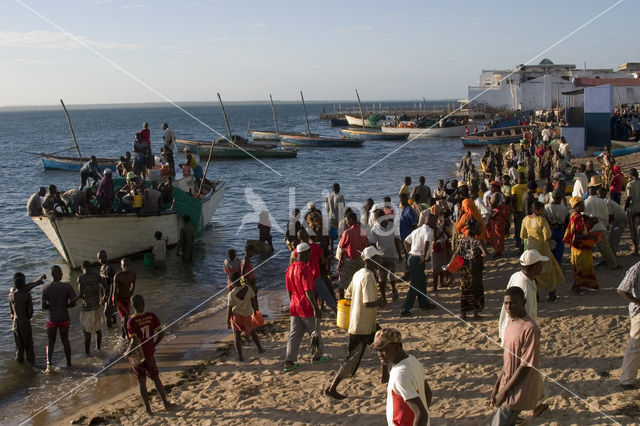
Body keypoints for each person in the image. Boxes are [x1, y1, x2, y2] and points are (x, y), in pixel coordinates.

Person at [325, 246, 383, 400]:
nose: (379, 261)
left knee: (384, 342)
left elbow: (348, 294)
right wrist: (380, 302)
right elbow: (369, 302)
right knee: (352, 358)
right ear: (371, 260)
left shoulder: (358, 274)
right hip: (361, 326)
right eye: (377, 258)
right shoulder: (369, 276)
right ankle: (332, 387)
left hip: (363, 322)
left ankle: (385, 374)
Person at [490, 287, 542, 426]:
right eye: (506, 303)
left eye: (513, 303)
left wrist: (505, 391)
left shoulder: (530, 328)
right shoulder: (509, 323)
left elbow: (526, 365)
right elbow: (507, 360)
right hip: (507, 383)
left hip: (518, 387)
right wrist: (497, 385)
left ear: (523, 302)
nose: (509, 307)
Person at [372, 328, 431, 426]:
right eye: (377, 350)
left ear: (396, 346)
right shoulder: (413, 360)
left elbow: (421, 414)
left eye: (383, 349)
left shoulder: (400, 374)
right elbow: (427, 393)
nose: (379, 354)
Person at [283, 243, 327, 372]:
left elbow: (288, 290)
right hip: (306, 305)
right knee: (314, 333)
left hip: (294, 304)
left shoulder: (290, 268)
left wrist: (292, 302)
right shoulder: (305, 269)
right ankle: (317, 357)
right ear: (307, 254)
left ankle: (289, 362)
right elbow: (308, 291)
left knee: (294, 334)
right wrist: (316, 307)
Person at [125, 294, 172, 413]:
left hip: (138, 356)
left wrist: (128, 352)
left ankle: (148, 408)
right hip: (149, 353)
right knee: (155, 378)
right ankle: (165, 403)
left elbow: (134, 341)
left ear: (131, 306)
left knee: (141, 381)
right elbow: (161, 334)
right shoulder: (152, 316)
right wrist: (153, 345)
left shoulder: (131, 321)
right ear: (144, 304)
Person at [521, 201, 564, 301]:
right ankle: (551, 294)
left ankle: (536, 296)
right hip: (542, 248)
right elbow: (547, 236)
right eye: (542, 209)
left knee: (533, 272)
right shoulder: (541, 220)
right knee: (548, 270)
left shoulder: (525, 219)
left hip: (531, 248)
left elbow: (523, 235)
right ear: (537, 210)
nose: (544, 211)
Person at [498, 250, 545, 341]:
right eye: (540, 264)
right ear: (535, 267)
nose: (542, 267)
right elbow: (522, 315)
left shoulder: (517, 276)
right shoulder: (524, 287)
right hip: (518, 334)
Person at [400, 211, 436, 316]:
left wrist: (410, 252)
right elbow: (427, 243)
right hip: (418, 258)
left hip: (412, 257)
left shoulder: (417, 230)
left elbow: (406, 241)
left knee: (422, 281)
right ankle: (405, 309)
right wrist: (424, 257)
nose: (436, 223)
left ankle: (424, 303)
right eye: (434, 221)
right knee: (415, 284)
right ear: (429, 221)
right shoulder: (429, 231)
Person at [41, 265, 76, 372]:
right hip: (64, 318)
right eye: (61, 273)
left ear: (52, 275)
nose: (62, 274)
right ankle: (69, 363)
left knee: (50, 342)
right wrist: (64, 306)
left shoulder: (45, 288)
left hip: (51, 319)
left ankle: (49, 365)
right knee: (65, 340)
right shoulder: (67, 287)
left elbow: (43, 306)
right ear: (60, 274)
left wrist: (52, 307)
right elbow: (73, 303)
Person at [452, 217, 487, 320]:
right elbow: (485, 254)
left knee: (465, 289)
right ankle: (476, 314)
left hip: (465, 269)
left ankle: (463, 314)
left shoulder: (462, 240)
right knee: (476, 290)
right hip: (475, 269)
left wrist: (450, 265)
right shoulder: (477, 241)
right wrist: (479, 257)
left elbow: (456, 253)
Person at [226, 272, 264, 361]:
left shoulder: (231, 294)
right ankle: (260, 349)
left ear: (231, 282)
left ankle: (240, 356)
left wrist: (227, 321)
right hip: (247, 315)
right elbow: (254, 300)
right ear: (240, 279)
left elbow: (229, 309)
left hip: (236, 317)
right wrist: (255, 311)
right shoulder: (248, 288)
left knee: (237, 337)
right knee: (252, 333)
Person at [9, 272, 45, 365]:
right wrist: (27, 318)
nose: (25, 282)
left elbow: (11, 313)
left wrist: (37, 281)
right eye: (24, 280)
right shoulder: (26, 294)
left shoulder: (11, 294)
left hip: (15, 324)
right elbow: (31, 311)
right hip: (24, 322)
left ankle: (20, 367)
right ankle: (32, 366)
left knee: (19, 347)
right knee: (29, 345)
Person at [563, 197, 598, 293]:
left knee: (578, 266)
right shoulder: (577, 218)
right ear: (575, 207)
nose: (583, 206)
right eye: (580, 205)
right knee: (581, 266)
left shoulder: (577, 216)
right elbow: (577, 234)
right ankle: (578, 287)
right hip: (580, 246)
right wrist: (590, 236)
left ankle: (577, 286)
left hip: (577, 246)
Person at [584, 176, 618, 269]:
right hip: (601, 226)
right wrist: (606, 225)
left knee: (588, 249)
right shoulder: (602, 201)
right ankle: (613, 265)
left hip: (590, 229)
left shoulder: (585, 202)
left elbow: (583, 216)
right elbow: (606, 215)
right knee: (606, 249)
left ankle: (588, 266)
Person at [369, 210, 402, 302]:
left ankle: (394, 290)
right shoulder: (375, 229)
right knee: (381, 278)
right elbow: (373, 245)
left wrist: (399, 254)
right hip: (381, 257)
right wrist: (374, 258)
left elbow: (396, 241)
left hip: (392, 255)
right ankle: (383, 296)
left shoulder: (392, 226)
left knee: (391, 276)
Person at [617, 261, 640, 390]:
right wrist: (638, 302)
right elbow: (622, 290)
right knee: (635, 345)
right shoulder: (637, 268)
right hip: (639, 312)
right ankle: (627, 380)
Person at [337, 211, 368, 300]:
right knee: (359, 281)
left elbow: (342, 250)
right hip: (361, 260)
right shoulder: (363, 231)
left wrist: (339, 263)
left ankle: (342, 302)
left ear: (350, 220)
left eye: (347, 221)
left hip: (350, 260)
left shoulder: (347, 232)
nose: (346, 223)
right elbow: (366, 244)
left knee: (342, 284)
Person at [76, 261, 104, 355]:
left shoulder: (81, 278)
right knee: (98, 330)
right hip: (97, 306)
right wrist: (103, 298)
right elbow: (106, 287)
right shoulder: (97, 276)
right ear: (90, 267)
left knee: (87, 333)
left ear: (82, 268)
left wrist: (72, 300)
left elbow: (81, 294)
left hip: (87, 308)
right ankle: (98, 349)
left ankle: (87, 353)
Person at [600, 187, 628, 255]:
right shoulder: (605, 201)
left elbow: (610, 216)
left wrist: (606, 226)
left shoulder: (607, 202)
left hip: (620, 220)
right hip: (617, 220)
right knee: (612, 238)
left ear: (604, 194)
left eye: (599, 194)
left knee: (614, 238)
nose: (598, 196)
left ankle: (612, 255)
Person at [544, 190, 569, 265]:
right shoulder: (564, 208)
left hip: (550, 231)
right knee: (559, 249)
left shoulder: (546, 207)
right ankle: (558, 264)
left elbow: (544, 220)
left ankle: (551, 264)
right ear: (561, 198)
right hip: (560, 231)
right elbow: (567, 222)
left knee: (550, 249)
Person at [113, 258, 136, 338]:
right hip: (119, 299)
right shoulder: (118, 276)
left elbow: (133, 286)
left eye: (128, 265)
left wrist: (130, 296)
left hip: (127, 298)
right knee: (125, 317)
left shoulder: (133, 274)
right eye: (124, 266)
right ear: (121, 266)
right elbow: (114, 290)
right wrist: (114, 302)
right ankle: (128, 338)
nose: (127, 267)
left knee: (125, 318)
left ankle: (123, 334)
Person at [486, 181, 507, 257]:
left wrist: (488, 200)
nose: (490, 188)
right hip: (499, 216)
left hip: (496, 217)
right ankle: (499, 249)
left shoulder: (496, 195)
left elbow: (492, 206)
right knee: (499, 233)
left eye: (492, 187)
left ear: (496, 187)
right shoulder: (501, 194)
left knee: (497, 233)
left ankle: (498, 251)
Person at [97, 250, 117, 329]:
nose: (101, 260)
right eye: (99, 258)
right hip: (104, 293)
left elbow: (113, 283)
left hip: (109, 293)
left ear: (106, 257)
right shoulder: (102, 267)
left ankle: (110, 331)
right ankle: (115, 327)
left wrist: (107, 296)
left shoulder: (109, 267)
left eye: (102, 257)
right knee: (111, 312)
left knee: (106, 313)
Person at [326, 183, 345, 251]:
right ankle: (341, 251)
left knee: (331, 237)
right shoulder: (340, 196)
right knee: (342, 236)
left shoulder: (328, 196)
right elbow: (342, 209)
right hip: (339, 219)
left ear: (332, 189)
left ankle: (331, 251)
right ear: (339, 189)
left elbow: (327, 209)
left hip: (331, 218)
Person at [626, 168, 640, 255]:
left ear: (631, 176)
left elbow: (628, 198)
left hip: (633, 209)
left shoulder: (630, 185)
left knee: (633, 229)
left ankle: (635, 249)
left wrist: (625, 207)